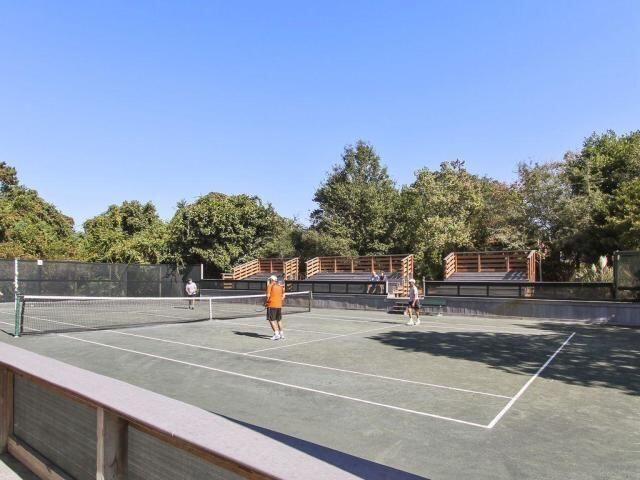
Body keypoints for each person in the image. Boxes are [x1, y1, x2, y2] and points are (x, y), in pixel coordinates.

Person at [265, 275, 286, 340]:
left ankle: (276, 334)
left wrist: (266, 303)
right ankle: (281, 334)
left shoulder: (270, 285)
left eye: (269, 280)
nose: (268, 281)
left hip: (272, 305)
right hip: (279, 306)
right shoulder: (280, 286)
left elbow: (268, 296)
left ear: (271, 280)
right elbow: (283, 296)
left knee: (271, 320)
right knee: (279, 320)